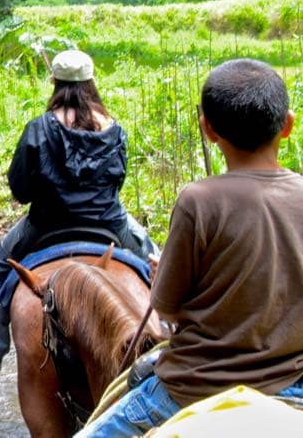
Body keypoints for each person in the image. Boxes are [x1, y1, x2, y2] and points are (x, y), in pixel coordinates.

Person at [78, 59, 303, 436]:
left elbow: (166, 307)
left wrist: (163, 268)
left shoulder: (198, 200)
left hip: (193, 386)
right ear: (288, 126)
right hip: (292, 379)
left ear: (208, 129)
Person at [0, 49, 157, 372]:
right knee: (155, 261)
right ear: (91, 83)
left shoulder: (40, 127)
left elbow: (20, 189)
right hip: (109, 221)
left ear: (55, 83)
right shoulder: (113, 128)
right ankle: (170, 335)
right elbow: (117, 180)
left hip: (47, 223)